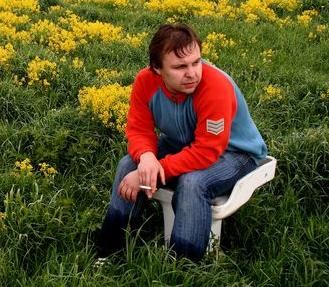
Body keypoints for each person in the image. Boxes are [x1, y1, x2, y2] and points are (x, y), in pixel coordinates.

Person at [95, 23, 268, 262]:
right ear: (157, 68)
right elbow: (138, 129)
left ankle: (183, 265)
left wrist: (156, 170)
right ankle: (110, 250)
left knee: (193, 182)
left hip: (236, 154)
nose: (192, 73)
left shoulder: (215, 86)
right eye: (179, 67)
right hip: (184, 144)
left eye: (196, 62)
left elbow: (207, 151)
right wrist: (146, 158)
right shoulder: (145, 82)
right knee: (128, 165)